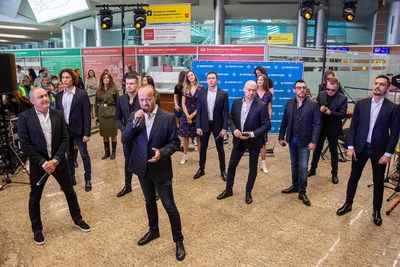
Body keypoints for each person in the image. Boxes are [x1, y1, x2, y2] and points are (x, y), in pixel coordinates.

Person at [18, 87, 91, 246]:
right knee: (35, 197)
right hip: (39, 165)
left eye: (46, 95)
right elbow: (25, 145)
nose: (45, 99)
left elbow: (65, 139)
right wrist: (44, 162)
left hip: (58, 162)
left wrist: (56, 160)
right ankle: (37, 230)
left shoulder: (57, 114)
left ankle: (78, 219)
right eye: (40, 97)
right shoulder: (24, 117)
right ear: (32, 101)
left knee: (70, 191)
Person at [121, 84, 185, 261]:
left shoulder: (168, 117)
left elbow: (175, 143)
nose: (144, 103)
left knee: (169, 206)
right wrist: (134, 123)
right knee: (149, 201)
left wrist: (161, 153)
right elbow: (125, 139)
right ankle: (153, 230)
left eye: (148, 99)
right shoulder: (135, 116)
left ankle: (178, 240)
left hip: (161, 169)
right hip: (142, 168)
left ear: (155, 97)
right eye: (141, 99)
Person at [336, 75, 400, 226]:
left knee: (378, 182)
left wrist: (388, 153)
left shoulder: (393, 108)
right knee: (354, 177)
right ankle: (348, 203)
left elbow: (395, 133)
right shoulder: (361, 104)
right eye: (376, 83)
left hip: (379, 150)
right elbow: (354, 128)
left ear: (387, 88)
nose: (378, 86)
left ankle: (376, 211)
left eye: (382, 84)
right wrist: (350, 147)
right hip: (360, 148)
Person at [217, 80, 270, 204]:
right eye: (249, 90)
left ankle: (248, 192)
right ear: (244, 89)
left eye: (254, 90)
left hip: (254, 141)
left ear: (256, 91)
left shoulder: (261, 105)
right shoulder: (236, 103)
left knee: (252, 168)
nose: (251, 93)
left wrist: (252, 134)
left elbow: (267, 125)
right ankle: (228, 189)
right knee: (231, 166)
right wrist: (234, 129)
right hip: (238, 140)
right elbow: (230, 118)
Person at [279, 79, 320, 206]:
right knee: (294, 165)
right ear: (294, 90)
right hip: (292, 139)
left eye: (303, 87)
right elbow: (284, 120)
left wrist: (314, 141)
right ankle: (295, 185)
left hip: (305, 141)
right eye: (298, 88)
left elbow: (316, 124)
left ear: (306, 89)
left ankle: (302, 192)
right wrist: (281, 136)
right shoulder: (290, 103)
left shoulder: (313, 104)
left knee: (303, 167)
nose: (301, 90)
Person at [55, 69, 92, 191]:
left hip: (80, 130)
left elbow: (86, 114)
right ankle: (71, 178)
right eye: (63, 78)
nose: (64, 80)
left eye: (67, 77)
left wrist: (87, 133)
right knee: (69, 156)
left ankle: (88, 179)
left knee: (84, 155)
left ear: (73, 79)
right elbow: (57, 115)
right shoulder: (59, 95)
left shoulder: (81, 94)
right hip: (65, 131)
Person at [308, 77, 348, 184]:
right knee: (317, 149)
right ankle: (313, 169)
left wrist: (330, 113)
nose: (330, 92)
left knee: (333, 152)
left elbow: (343, 114)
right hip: (320, 127)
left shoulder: (342, 98)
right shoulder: (321, 94)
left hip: (333, 128)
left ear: (337, 88)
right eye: (328, 89)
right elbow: (314, 109)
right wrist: (318, 109)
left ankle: (334, 173)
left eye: (333, 90)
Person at [194, 71, 229, 180]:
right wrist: (198, 126)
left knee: (220, 149)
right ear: (206, 80)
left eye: (213, 78)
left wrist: (224, 128)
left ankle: (223, 171)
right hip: (204, 125)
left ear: (217, 80)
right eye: (209, 78)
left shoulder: (223, 94)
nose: (211, 80)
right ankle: (201, 169)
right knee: (203, 148)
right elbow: (199, 111)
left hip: (218, 125)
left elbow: (226, 112)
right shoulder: (201, 93)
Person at [115, 75, 141, 197]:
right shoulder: (121, 99)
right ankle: (127, 185)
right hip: (127, 136)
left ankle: (153, 188)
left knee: (145, 161)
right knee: (128, 161)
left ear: (137, 85)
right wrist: (124, 129)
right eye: (127, 83)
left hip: (141, 136)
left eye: (132, 83)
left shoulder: (142, 98)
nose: (129, 86)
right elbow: (117, 117)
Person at [178, 70, 203, 165]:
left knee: (198, 137)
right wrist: (188, 116)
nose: (191, 77)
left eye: (192, 75)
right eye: (189, 76)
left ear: (195, 76)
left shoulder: (201, 89)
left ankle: (201, 156)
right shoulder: (185, 89)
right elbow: (183, 104)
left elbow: (201, 104)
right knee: (185, 137)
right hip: (186, 115)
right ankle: (185, 155)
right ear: (187, 78)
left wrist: (192, 115)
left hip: (197, 115)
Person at [95, 71, 119, 160]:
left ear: (110, 79)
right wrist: (96, 116)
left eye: (107, 78)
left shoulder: (114, 89)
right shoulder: (99, 90)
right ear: (102, 79)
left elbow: (118, 103)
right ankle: (107, 152)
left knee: (113, 134)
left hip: (112, 114)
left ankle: (113, 152)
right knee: (104, 135)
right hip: (102, 114)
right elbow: (96, 103)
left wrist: (118, 115)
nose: (106, 79)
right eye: (104, 78)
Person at [256, 74, 273, 174]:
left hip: (264, 121)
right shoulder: (253, 92)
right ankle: (254, 163)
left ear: (265, 81)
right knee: (254, 142)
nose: (259, 81)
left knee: (263, 143)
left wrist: (268, 120)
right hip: (254, 121)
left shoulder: (268, 94)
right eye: (258, 79)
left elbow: (269, 108)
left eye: (261, 80)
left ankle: (263, 163)